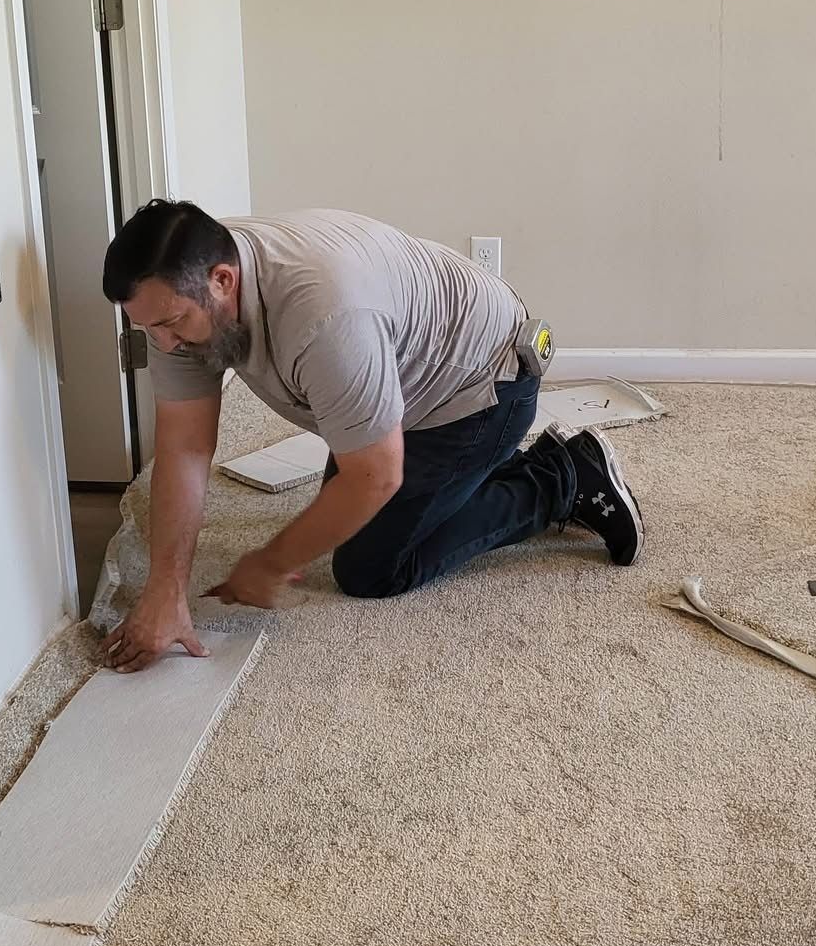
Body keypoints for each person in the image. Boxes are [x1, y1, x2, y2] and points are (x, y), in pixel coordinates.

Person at [100, 201, 644, 671]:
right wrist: (164, 594)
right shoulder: (182, 294)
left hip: (483, 383)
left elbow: (376, 475)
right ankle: (480, 470)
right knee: (355, 499)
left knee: (372, 567)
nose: (164, 344)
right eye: (147, 327)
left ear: (223, 280)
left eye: (171, 323)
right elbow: (185, 448)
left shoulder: (325, 318)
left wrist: (268, 564)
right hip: (401, 380)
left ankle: (563, 478)